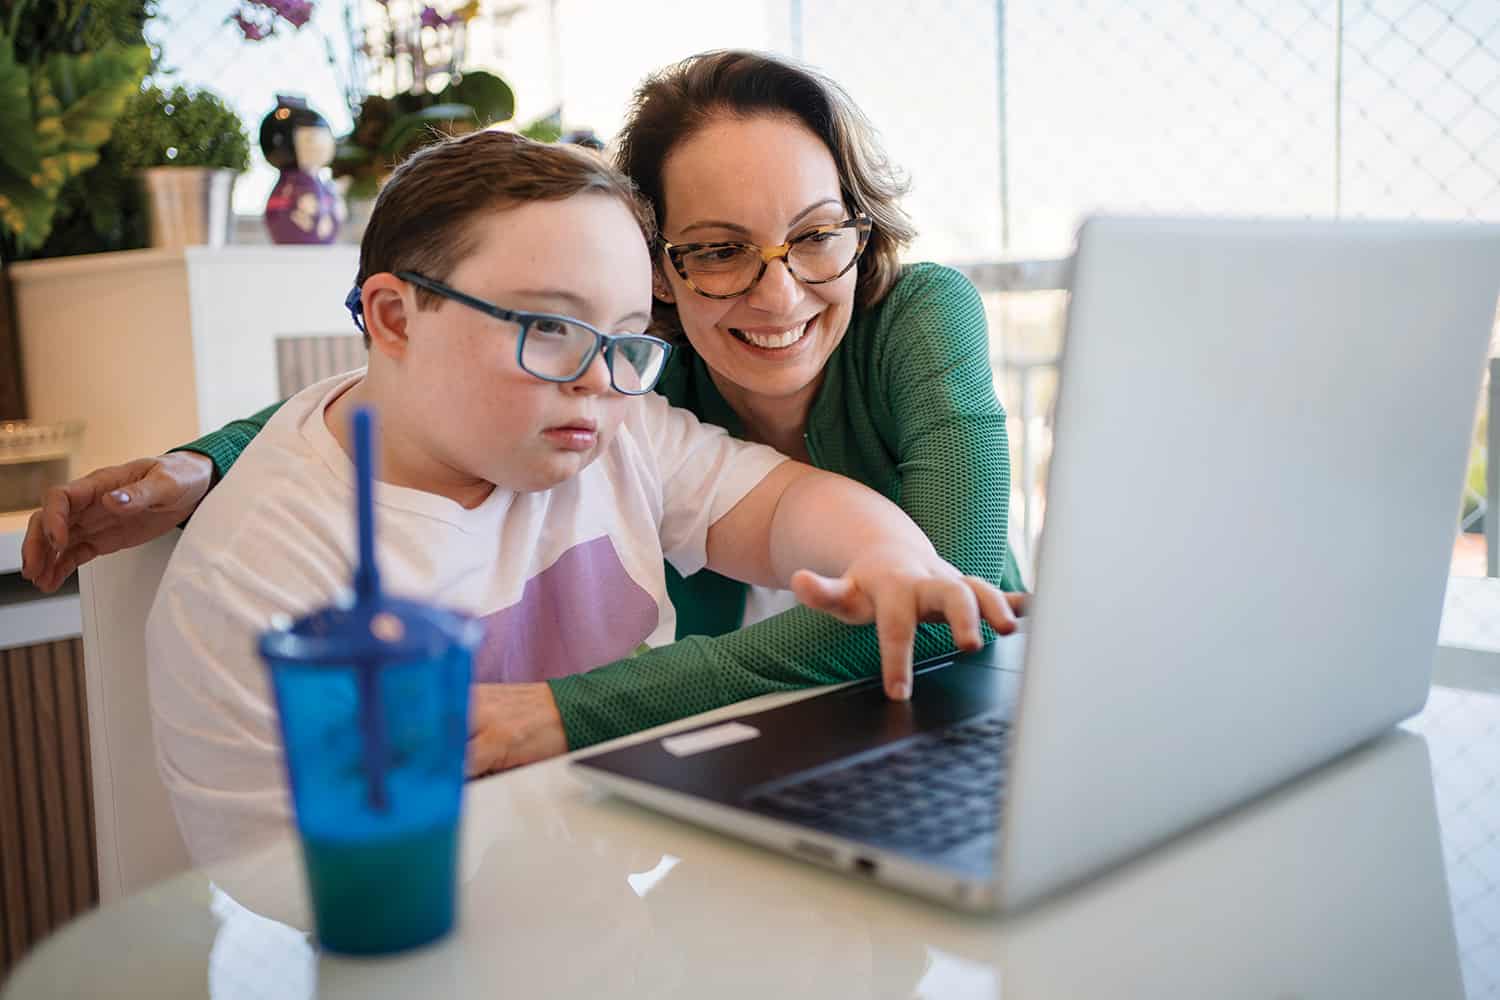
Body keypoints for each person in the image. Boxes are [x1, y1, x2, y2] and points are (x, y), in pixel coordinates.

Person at [24, 50, 1025, 756]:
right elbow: (403, 383)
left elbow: (952, 599)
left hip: (906, 718)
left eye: (814, 234)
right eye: (719, 249)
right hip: (740, 753)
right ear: (660, 273)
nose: (778, 293)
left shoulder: (912, 318)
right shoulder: (634, 365)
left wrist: (574, 711)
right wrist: (209, 461)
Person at [145, 128, 1016, 863]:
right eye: (550, 329)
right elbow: (297, 905)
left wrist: (890, 557)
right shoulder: (259, 579)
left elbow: (789, 507)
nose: (602, 378)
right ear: (396, 318)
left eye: (627, 338)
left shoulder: (616, 432)